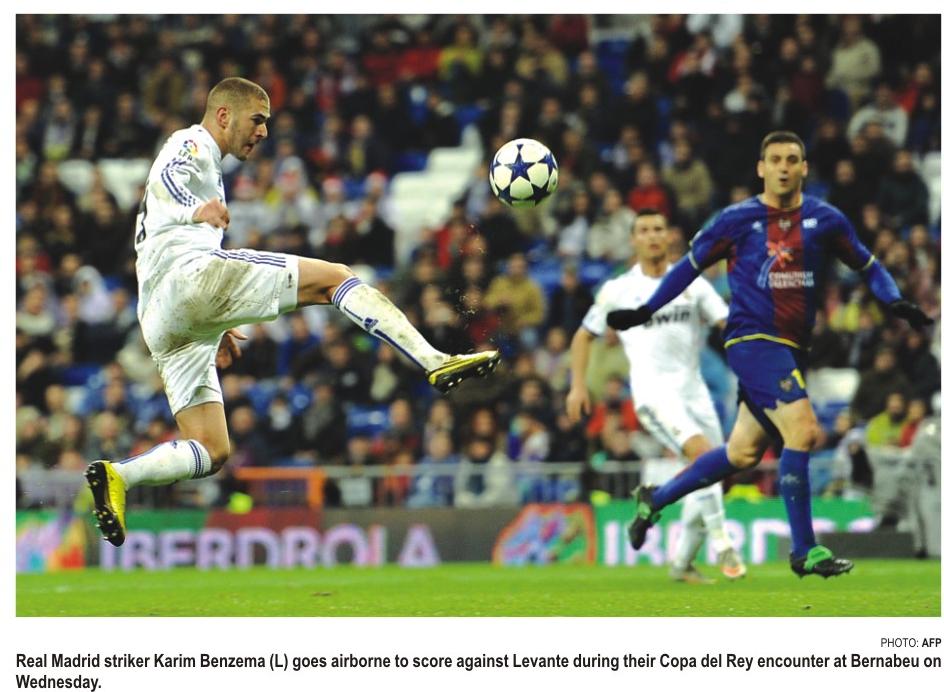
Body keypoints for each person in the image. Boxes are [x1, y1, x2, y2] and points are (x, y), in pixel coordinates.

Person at [84, 78, 499, 546]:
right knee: (335, 278)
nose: (263, 132)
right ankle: (433, 359)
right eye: (257, 120)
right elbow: (170, 180)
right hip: (189, 278)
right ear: (224, 115)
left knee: (212, 448)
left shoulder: (209, 163)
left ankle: (119, 476)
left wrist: (214, 322)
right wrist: (194, 211)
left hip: (161, 316)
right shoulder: (191, 142)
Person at [605, 131, 932, 578]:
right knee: (804, 429)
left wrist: (893, 299)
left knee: (741, 453)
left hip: (793, 349)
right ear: (761, 168)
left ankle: (654, 500)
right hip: (751, 340)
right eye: (775, 159)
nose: (783, 167)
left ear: (804, 168)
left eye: (792, 159)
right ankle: (805, 550)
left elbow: (868, 265)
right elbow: (688, 268)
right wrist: (646, 309)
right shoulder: (735, 220)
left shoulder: (825, 219)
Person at [567, 209, 746, 583]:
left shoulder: (692, 282)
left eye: (658, 229)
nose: (651, 236)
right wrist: (578, 386)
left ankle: (682, 564)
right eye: (644, 230)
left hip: (695, 393)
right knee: (705, 457)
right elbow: (583, 335)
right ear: (633, 240)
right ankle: (723, 543)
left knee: (712, 474)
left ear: (669, 236)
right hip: (653, 395)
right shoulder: (618, 289)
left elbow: (726, 323)